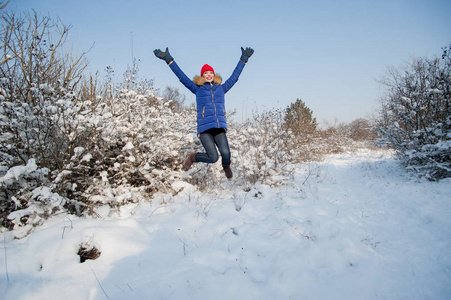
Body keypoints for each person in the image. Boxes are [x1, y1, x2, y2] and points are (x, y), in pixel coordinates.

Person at [154, 47, 254, 179]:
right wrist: (169, 60)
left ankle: (226, 166)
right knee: (213, 157)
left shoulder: (221, 88)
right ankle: (192, 157)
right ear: (202, 76)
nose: (208, 75)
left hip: (218, 128)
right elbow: (181, 76)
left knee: (226, 153)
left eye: (210, 72)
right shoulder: (197, 89)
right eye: (206, 73)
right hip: (205, 129)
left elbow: (234, 77)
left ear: (214, 75)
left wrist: (243, 60)